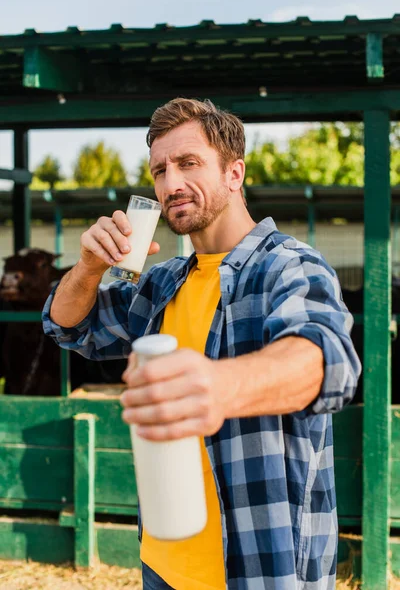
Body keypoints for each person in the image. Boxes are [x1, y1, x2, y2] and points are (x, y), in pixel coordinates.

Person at [43, 98, 361, 590]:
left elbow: (325, 360)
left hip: (259, 569)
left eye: (188, 163)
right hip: (163, 566)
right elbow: (67, 326)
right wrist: (88, 268)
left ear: (234, 174)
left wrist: (216, 385)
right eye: (159, 171)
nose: (171, 184)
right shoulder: (162, 283)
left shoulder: (289, 267)